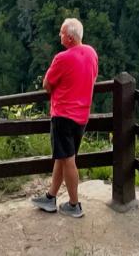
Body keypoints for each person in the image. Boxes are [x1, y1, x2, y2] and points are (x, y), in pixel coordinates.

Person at [31, 17, 99, 219]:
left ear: (69, 38)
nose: (59, 36)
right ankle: (50, 197)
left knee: (68, 160)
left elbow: (47, 84)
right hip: (82, 115)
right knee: (63, 157)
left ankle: (74, 204)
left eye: (61, 33)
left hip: (63, 115)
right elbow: (92, 78)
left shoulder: (62, 58)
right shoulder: (91, 53)